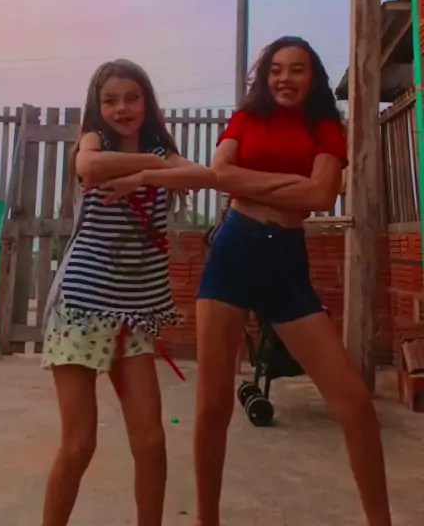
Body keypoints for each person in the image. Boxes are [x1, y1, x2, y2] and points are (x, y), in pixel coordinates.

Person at [194, 37, 392, 526]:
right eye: (276, 69)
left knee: (356, 405)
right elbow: (219, 174)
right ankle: (205, 519)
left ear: (313, 77)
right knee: (213, 406)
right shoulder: (246, 118)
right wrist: (290, 186)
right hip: (233, 252)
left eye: (297, 69)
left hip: (285, 261)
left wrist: (250, 181)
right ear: (265, 77)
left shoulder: (325, 127)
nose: (285, 78)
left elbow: (323, 194)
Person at [41, 59, 216, 526]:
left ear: (147, 102)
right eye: (110, 100)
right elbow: (89, 166)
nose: (122, 108)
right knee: (79, 444)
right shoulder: (95, 141)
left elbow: (204, 177)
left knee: (152, 442)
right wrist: (152, 165)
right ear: (97, 107)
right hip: (81, 308)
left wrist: (145, 174)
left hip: (136, 313)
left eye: (132, 98)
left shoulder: (161, 152)